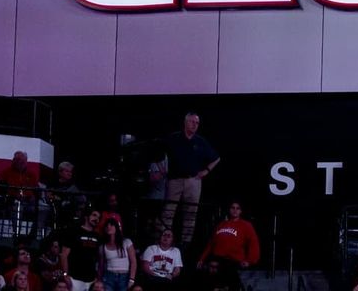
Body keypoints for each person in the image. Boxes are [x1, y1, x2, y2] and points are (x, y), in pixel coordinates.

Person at [152, 113, 220, 248]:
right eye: (192, 122)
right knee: (168, 211)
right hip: (175, 180)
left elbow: (216, 158)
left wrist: (206, 171)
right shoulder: (174, 138)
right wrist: (161, 169)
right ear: (185, 123)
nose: (195, 125)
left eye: (197, 123)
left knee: (191, 212)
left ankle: (185, 244)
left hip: (193, 180)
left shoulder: (200, 141)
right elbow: (156, 151)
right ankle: (163, 240)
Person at [197, 201, 260, 271]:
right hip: (217, 259)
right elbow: (211, 244)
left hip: (234, 261)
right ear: (229, 210)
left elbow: (253, 243)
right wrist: (202, 259)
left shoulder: (246, 225)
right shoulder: (221, 225)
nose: (235, 210)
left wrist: (250, 261)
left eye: (237, 208)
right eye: (233, 208)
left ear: (241, 211)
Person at [59, 209, 103, 291]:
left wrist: (98, 277)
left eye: (98, 217)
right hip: (75, 278)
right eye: (94, 215)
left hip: (91, 280)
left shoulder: (98, 236)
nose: (96, 219)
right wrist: (65, 274)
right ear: (86, 216)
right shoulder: (74, 232)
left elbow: (101, 258)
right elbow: (64, 254)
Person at [98, 220, 137, 291]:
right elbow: (101, 265)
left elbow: (133, 262)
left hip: (124, 277)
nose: (108, 227)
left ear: (116, 227)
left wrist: (132, 279)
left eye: (111, 225)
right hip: (109, 276)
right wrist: (99, 279)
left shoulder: (126, 242)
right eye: (107, 226)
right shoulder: (102, 246)